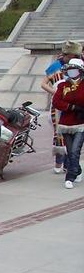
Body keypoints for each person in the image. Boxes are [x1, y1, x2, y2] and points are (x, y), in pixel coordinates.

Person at [41, 40, 81, 174]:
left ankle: (69, 164)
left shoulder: (78, 66)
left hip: (76, 106)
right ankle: (61, 163)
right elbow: (44, 84)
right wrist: (57, 92)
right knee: (60, 133)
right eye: (74, 56)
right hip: (59, 106)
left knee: (74, 133)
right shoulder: (56, 67)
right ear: (68, 55)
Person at [52, 57, 84, 190]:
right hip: (66, 123)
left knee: (76, 150)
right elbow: (57, 101)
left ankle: (69, 177)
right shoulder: (62, 85)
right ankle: (77, 170)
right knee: (70, 151)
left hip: (81, 122)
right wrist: (71, 107)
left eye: (74, 69)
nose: (71, 71)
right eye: (69, 69)